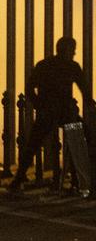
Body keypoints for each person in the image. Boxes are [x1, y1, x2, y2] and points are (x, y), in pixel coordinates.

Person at [9, 37, 91, 193]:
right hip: (66, 114)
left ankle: (18, 179)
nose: (74, 52)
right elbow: (85, 90)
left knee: (33, 144)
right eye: (72, 49)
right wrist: (89, 105)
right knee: (79, 140)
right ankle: (79, 180)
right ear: (66, 50)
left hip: (47, 113)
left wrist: (39, 104)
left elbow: (29, 88)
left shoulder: (44, 65)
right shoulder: (72, 67)